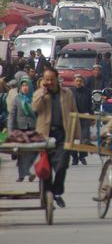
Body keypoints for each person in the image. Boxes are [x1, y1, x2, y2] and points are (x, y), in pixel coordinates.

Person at [32, 68, 78, 208]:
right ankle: (47, 194)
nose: (49, 82)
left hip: (62, 133)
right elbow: (35, 108)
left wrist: (76, 136)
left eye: (52, 79)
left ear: (57, 79)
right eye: (47, 79)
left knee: (62, 164)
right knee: (46, 166)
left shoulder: (67, 93)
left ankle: (57, 192)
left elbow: (74, 113)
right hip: (45, 134)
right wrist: (43, 94)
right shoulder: (39, 93)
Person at [8, 77, 37, 182]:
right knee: (21, 153)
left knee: (32, 152)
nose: (25, 88)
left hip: (32, 128)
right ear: (20, 87)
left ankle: (27, 172)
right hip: (20, 129)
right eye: (23, 86)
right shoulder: (17, 99)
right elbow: (12, 115)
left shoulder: (34, 98)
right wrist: (11, 130)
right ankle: (23, 174)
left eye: (27, 86)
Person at [70, 74, 93, 166]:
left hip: (84, 117)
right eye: (77, 81)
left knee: (84, 137)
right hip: (74, 118)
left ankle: (82, 156)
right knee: (73, 139)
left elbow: (89, 105)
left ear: (82, 82)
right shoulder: (70, 91)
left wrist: (92, 116)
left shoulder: (87, 92)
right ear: (74, 82)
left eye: (80, 81)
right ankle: (74, 157)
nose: (78, 83)